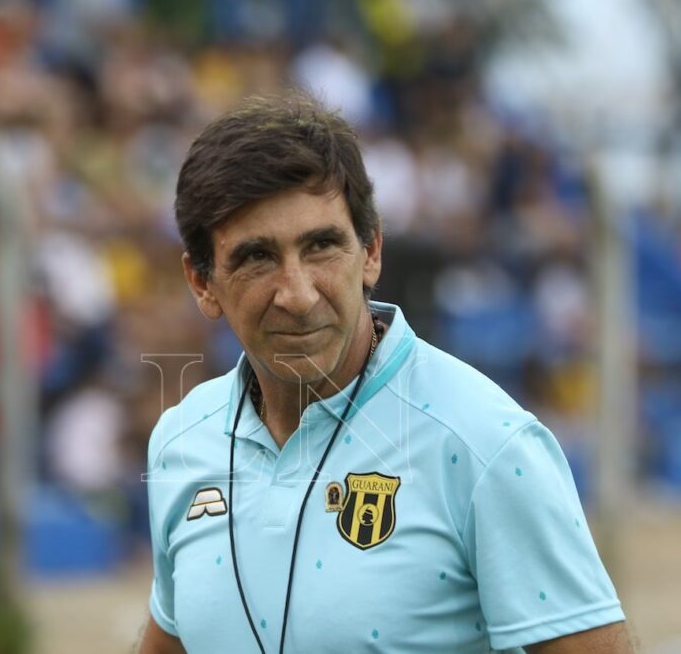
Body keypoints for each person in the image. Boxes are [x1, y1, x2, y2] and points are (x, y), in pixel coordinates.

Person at [138, 93, 632, 653]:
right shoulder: (181, 443)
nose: (298, 295)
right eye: (257, 257)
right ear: (202, 283)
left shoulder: (485, 444)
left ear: (371, 250)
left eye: (321, 246)